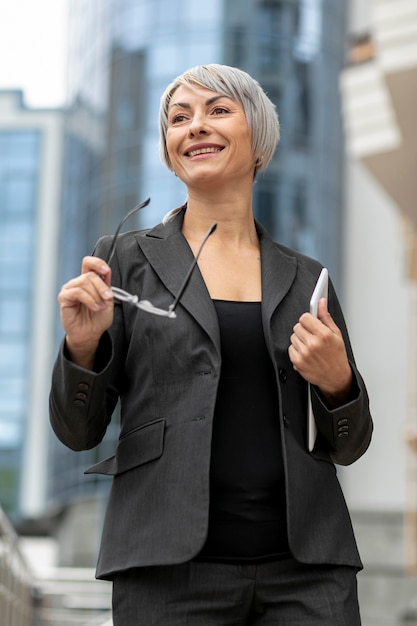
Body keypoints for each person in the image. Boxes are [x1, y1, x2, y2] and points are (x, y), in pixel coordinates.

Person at [50, 64, 373, 625]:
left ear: (259, 140)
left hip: (308, 572)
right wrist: (83, 349)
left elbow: (349, 444)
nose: (195, 126)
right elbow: (79, 433)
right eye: (179, 118)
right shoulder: (125, 258)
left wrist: (338, 379)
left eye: (217, 110)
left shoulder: (306, 277)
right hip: (167, 571)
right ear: (170, 149)